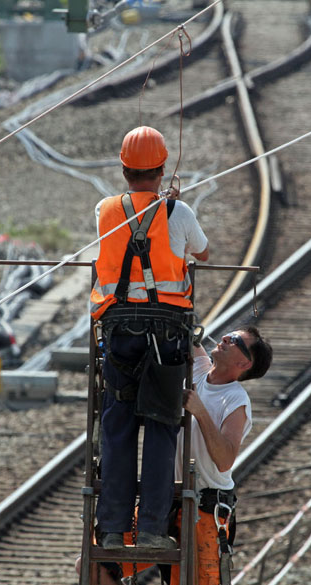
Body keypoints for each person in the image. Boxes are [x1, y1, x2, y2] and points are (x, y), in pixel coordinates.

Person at [78, 327, 273, 585]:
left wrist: (200, 412)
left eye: (236, 341)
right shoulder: (200, 370)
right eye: (229, 334)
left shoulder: (236, 400)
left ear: (244, 364)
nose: (226, 338)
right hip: (166, 502)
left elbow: (225, 458)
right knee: (92, 564)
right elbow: (182, 328)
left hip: (206, 509)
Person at [90, 125, 210, 551]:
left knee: (118, 426)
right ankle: (153, 529)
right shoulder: (178, 212)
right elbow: (203, 253)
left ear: (124, 170)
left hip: (120, 333)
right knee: (160, 426)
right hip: (166, 337)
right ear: (161, 170)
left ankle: (111, 528)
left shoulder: (105, 210)